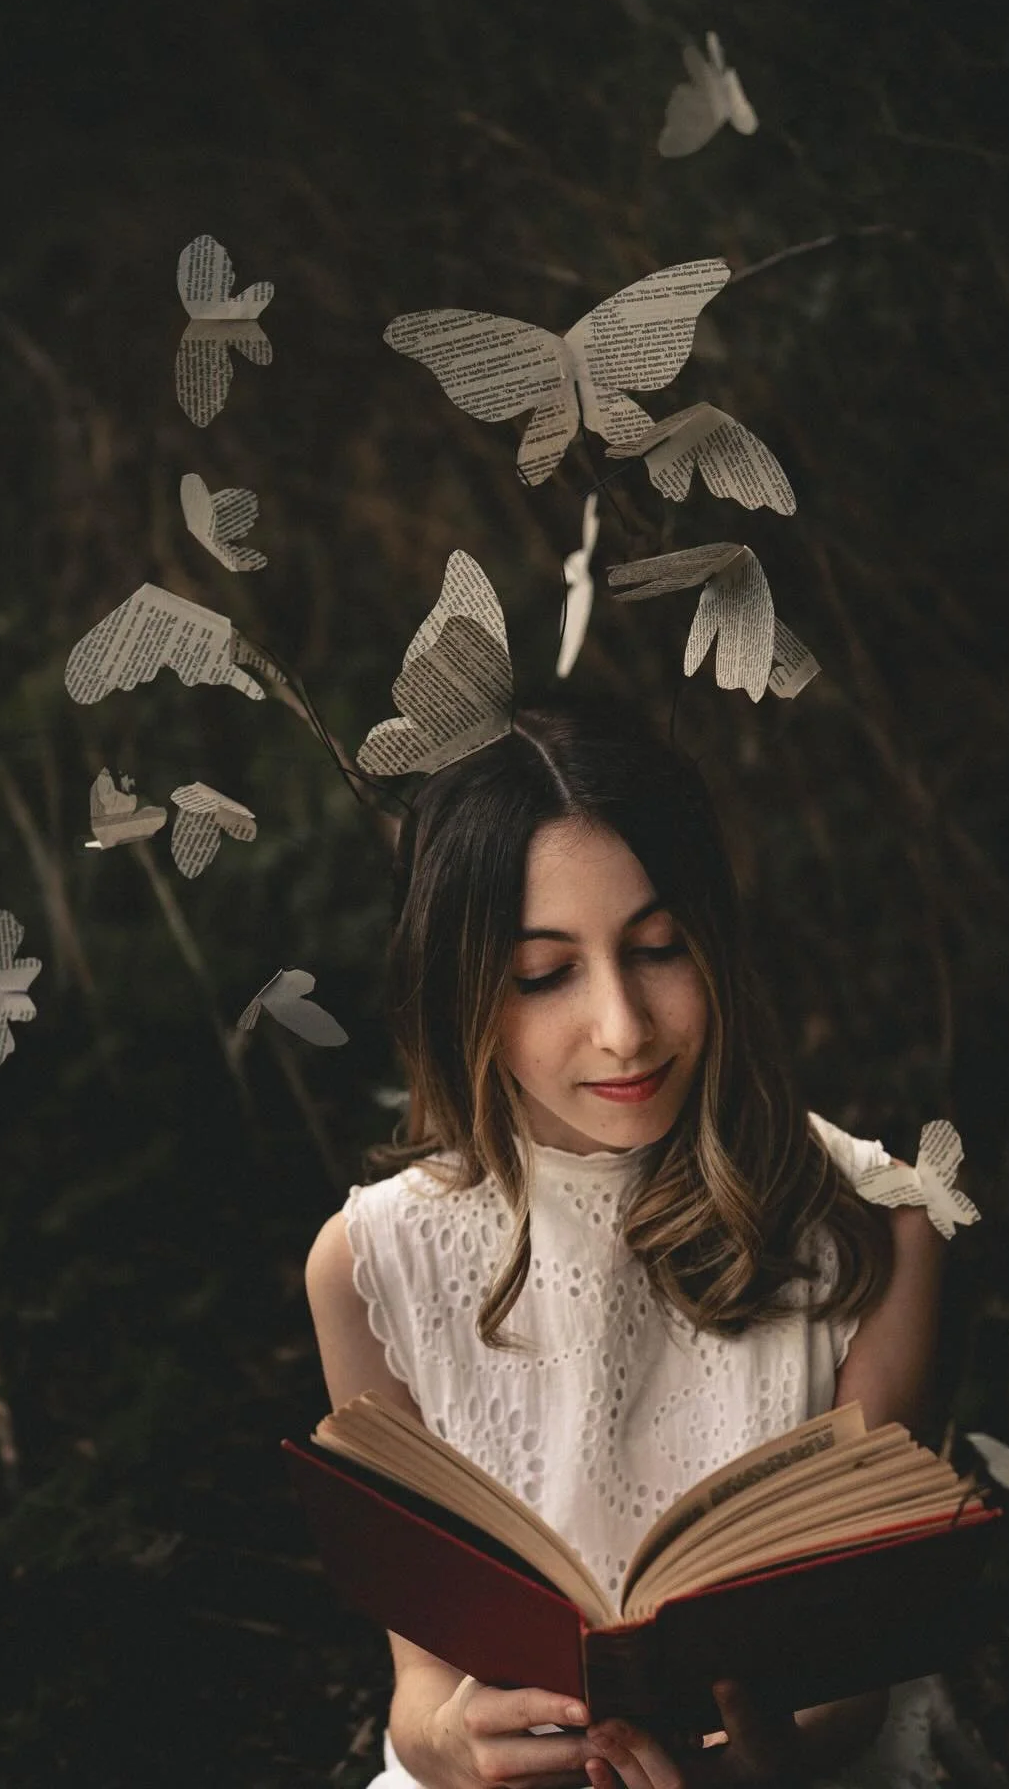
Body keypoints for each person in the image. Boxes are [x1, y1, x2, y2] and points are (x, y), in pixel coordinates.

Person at [306, 698, 945, 1789]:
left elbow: (851, 1682)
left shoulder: (875, 1223)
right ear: (463, 989)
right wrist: (459, 1744)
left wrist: (741, 1775)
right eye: (545, 973)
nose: (624, 1025)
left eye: (658, 949)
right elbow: (421, 1688)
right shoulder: (373, 1264)